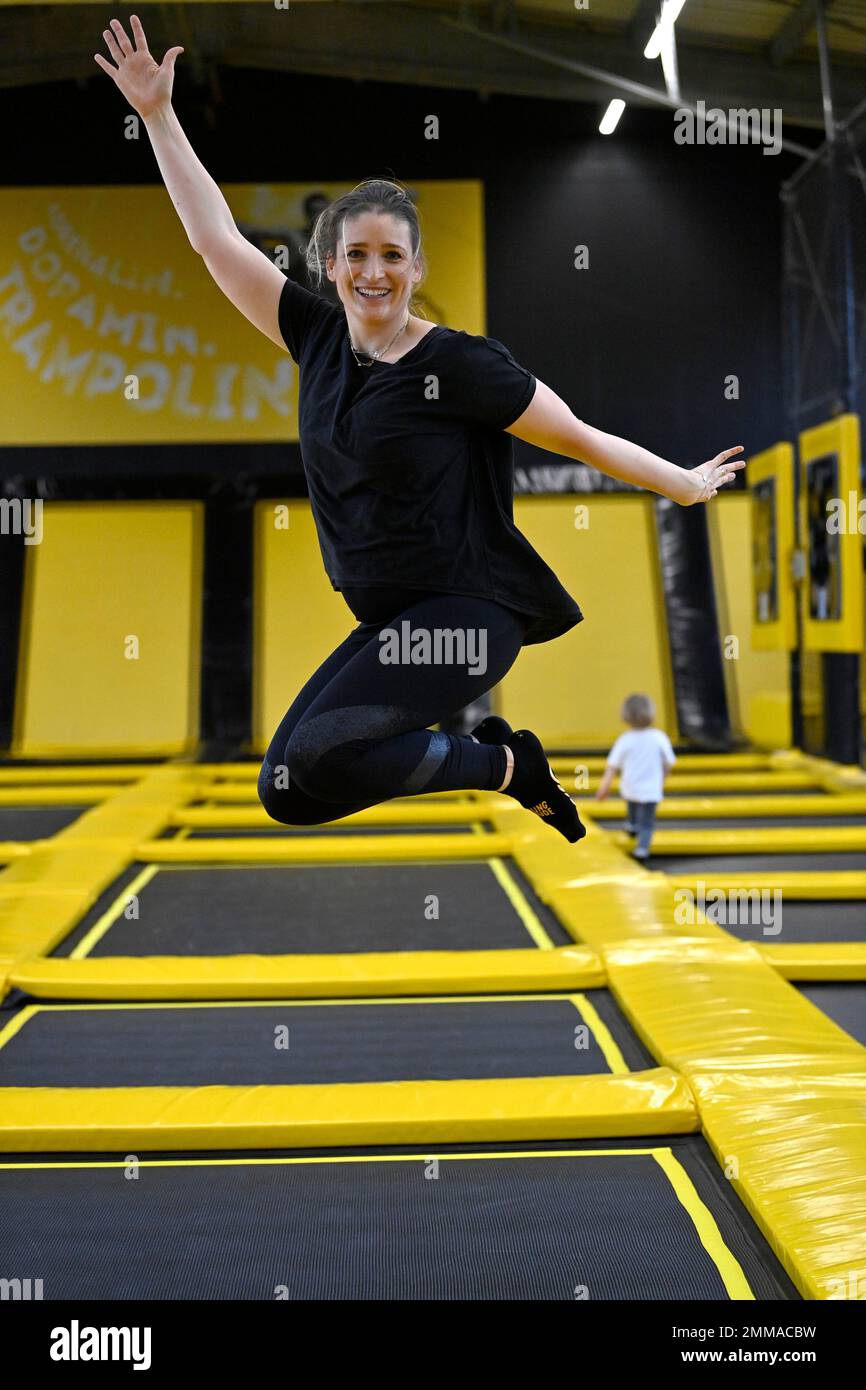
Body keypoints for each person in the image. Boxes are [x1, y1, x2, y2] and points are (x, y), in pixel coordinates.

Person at [94, 16, 745, 844]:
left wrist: (682, 483)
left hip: (472, 610)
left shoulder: (464, 365)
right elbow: (213, 237)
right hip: (391, 621)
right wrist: (157, 114)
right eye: (357, 255)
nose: (374, 272)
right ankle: (509, 765)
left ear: (416, 268)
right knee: (288, 785)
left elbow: (578, 435)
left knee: (328, 751)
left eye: (393, 256)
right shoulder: (316, 336)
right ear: (329, 264)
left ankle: (506, 768)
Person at [595, 694, 676, 859]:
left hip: (631, 786)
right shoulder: (659, 737)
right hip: (651, 788)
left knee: (632, 807)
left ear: (625, 717)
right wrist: (663, 777)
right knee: (647, 821)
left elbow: (612, 766)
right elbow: (669, 762)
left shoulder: (625, 740)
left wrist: (605, 786)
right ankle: (642, 849)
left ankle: (632, 825)